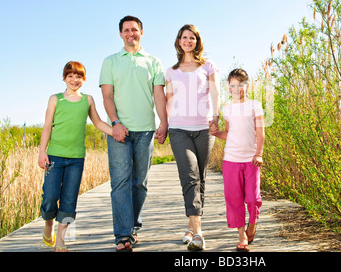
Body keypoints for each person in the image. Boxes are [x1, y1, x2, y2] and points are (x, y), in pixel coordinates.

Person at [99, 15, 168, 252]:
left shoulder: (153, 62)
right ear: (120, 34)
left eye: (135, 29)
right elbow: (107, 96)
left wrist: (164, 122)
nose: (131, 33)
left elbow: (159, 96)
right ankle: (123, 235)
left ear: (141, 32)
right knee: (120, 182)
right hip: (119, 131)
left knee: (140, 183)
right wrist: (115, 123)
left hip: (146, 131)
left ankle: (133, 226)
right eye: (126, 30)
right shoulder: (110, 61)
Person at [38, 61, 113, 252]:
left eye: (78, 76)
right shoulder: (55, 99)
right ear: (64, 78)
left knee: (69, 199)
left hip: (76, 159)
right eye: (70, 76)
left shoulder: (87, 100)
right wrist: (42, 151)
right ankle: (48, 222)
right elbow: (47, 127)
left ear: (84, 79)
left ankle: (61, 240)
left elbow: (97, 122)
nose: (74, 80)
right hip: (54, 156)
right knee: (50, 196)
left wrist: (115, 132)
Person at [165, 24, 220, 251]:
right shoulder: (171, 71)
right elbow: (168, 100)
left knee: (200, 177)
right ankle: (198, 234)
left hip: (204, 128)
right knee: (189, 176)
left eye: (192, 38)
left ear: (197, 41)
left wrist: (216, 116)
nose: (188, 41)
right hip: (178, 129)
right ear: (179, 41)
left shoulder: (207, 66)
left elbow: (216, 91)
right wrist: (164, 124)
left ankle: (191, 226)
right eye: (184, 37)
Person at [210, 68, 265, 252]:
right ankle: (242, 236)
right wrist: (216, 133)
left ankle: (253, 223)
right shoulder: (227, 108)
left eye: (240, 85)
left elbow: (260, 132)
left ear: (246, 85)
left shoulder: (255, 105)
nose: (236, 88)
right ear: (229, 87)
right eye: (232, 85)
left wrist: (259, 153)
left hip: (251, 159)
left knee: (252, 198)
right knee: (234, 199)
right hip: (231, 159)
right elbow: (228, 133)